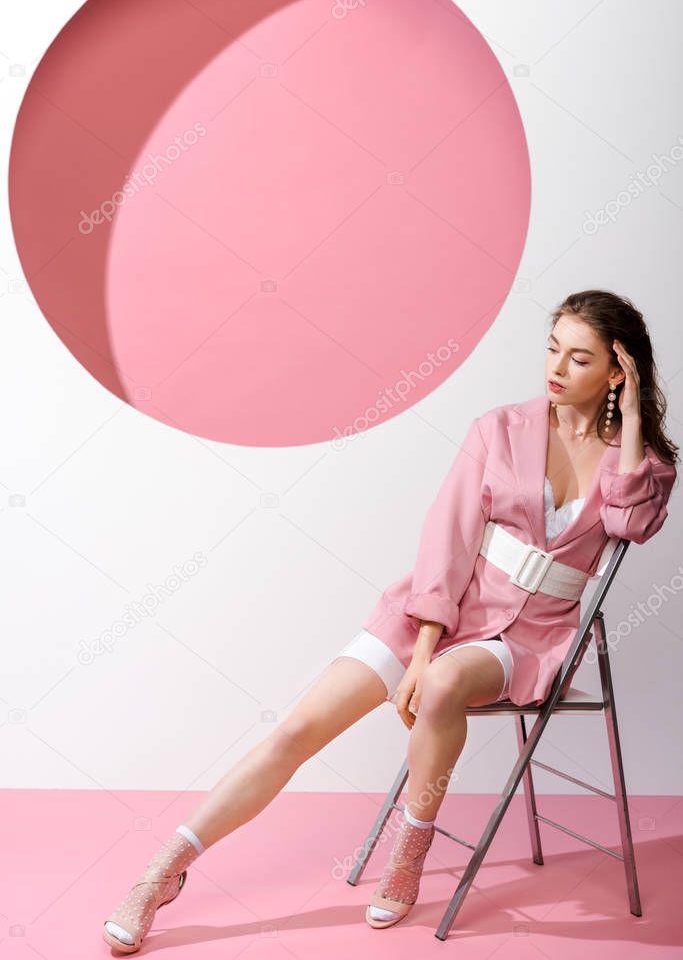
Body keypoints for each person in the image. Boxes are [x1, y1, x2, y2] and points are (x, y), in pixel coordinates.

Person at [103, 290, 678, 950]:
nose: (554, 368)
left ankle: (409, 848)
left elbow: (631, 524)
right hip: (434, 611)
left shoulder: (642, 466)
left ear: (616, 370)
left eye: (578, 359)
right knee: (296, 728)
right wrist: (426, 639)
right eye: (551, 348)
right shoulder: (499, 428)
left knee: (439, 686)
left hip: (527, 639)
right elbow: (447, 539)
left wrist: (630, 419)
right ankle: (162, 871)